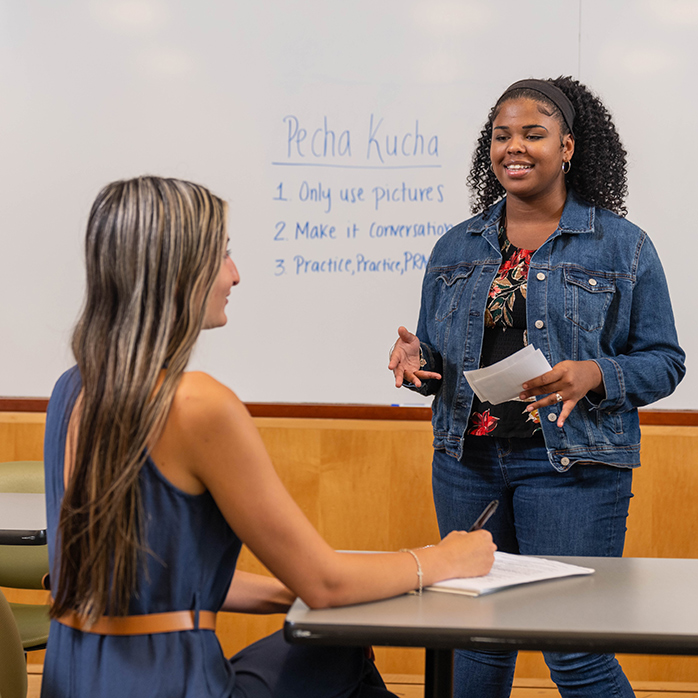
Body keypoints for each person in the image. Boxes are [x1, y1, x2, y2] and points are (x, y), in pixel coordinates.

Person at [41, 176, 496, 698]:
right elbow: (326, 585)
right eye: (223, 255)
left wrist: (292, 590)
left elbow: (160, 582)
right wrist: (446, 560)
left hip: (75, 678)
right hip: (174, 683)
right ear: (175, 270)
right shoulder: (197, 405)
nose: (235, 275)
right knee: (342, 655)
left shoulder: (72, 389)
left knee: (333, 645)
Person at [389, 77, 685, 697]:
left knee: (574, 650)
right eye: (501, 135)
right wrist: (418, 363)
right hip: (467, 463)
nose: (513, 147)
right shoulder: (456, 246)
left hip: (573, 469)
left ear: (569, 147)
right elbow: (441, 363)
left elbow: (665, 362)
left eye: (533, 134)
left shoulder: (622, 246)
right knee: (473, 646)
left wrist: (598, 372)